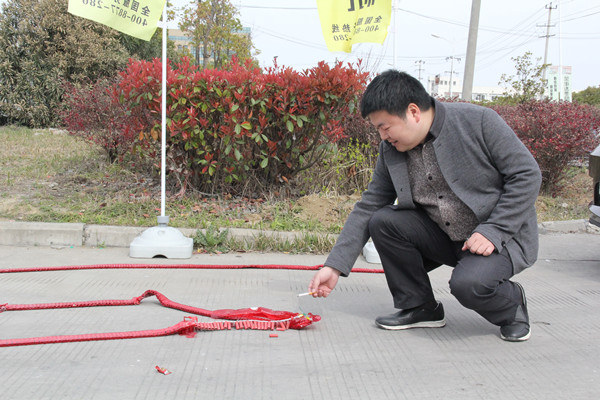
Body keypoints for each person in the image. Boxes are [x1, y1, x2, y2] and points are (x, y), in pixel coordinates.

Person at [308, 70, 542, 342]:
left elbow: (527, 174)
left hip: (499, 239)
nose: (383, 136)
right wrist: (334, 266)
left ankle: (512, 307)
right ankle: (420, 307)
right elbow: (370, 204)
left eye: (385, 127)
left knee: (469, 285)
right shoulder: (391, 150)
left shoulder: (478, 121)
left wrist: (495, 229)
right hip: (444, 236)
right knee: (383, 221)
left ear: (413, 112)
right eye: (378, 129)